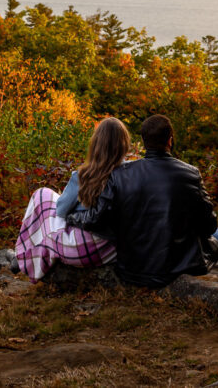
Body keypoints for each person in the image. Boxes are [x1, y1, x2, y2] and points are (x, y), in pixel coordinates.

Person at [66, 114, 218, 289]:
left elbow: (96, 219)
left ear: (143, 142)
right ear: (170, 140)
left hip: (131, 271)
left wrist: (71, 216)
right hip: (177, 268)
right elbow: (209, 226)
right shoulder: (191, 174)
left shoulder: (119, 175)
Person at [13, 117, 130, 282]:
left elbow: (60, 211)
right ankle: (24, 254)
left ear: (96, 143)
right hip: (113, 251)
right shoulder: (132, 174)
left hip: (82, 250)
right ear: (124, 144)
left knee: (42, 195)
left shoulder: (84, 175)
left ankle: (22, 254)